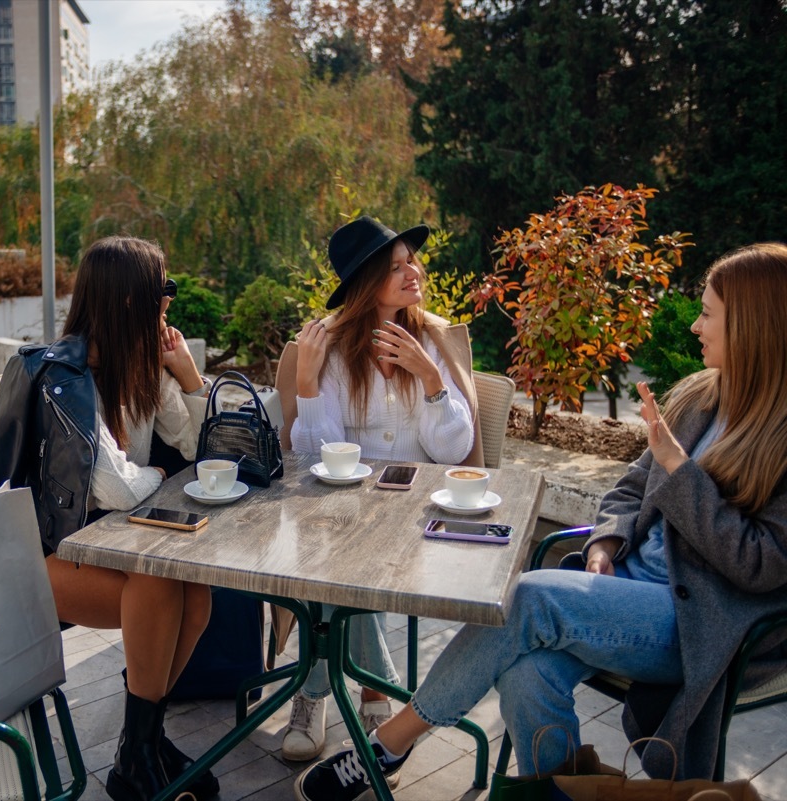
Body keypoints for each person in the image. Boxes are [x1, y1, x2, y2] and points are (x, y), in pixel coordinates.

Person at [294, 242, 787, 801]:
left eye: (708, 313)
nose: (696, 325)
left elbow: (765, 565)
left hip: (704, 620)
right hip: (627, 587)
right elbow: (628, 490)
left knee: (528, 598)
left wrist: (678, 471)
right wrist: (604, 541)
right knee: (528, 677)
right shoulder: (701, 397)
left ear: (752, 326)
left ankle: (388, 743)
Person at [0, 236, 218, 801]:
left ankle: (143, 741)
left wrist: (187, 376)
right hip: (47, 559)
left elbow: (192, 443)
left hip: (111, 546)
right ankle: (137, 755)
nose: (170, 299)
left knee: (198, 592)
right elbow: (113, 486)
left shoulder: (141, 364)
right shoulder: (63, 378)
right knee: (162, 582)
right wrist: (157, 480)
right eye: (161, 289)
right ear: (128, 301)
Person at [282, 216, 480, 764]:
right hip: (341, 515)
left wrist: (432, 380)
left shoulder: (430, 341)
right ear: (367, 281)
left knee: (337, 559)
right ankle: (376, 691)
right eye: (394, 267)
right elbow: (312, 456)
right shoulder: (335, 348)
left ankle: (313, 690)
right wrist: (306, 384)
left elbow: (451, 451)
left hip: (416, 518)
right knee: (335, 550)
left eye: (410, 261)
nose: (412, 271)